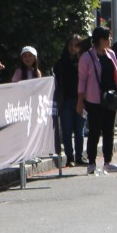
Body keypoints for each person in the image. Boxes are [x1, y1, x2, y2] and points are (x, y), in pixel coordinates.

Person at [77, 26, 117, 173]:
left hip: (110, 98)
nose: (110, 40)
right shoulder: (87, 57)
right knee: (95, 131)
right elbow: (82, 80)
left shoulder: (111, 54)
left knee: (109, 130)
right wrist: (80, 101)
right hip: (94, 99)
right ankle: (91, 163)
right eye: (108, 37)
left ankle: (108, 162)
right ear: (100, 40)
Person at [53, 35, 86, 168]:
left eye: (76, 45)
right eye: (70, 45)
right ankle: (69, 157)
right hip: (66, 101)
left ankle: (79, 156)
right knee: (66, 131)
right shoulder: (61, 63)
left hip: (81, 100)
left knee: (79, 130)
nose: (73, 48)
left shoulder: (85, 62)